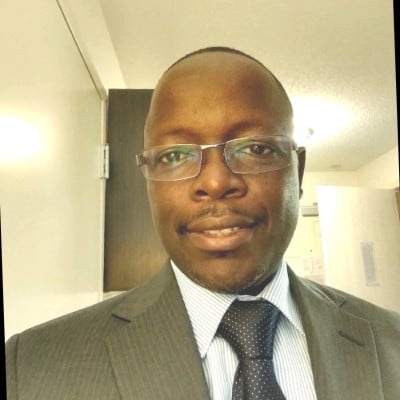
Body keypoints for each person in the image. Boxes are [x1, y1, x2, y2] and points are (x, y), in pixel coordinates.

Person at [5, 47, 400, 400]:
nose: (215, 182)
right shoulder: (31, 369)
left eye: (254, 148)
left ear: (297, 172)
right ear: (148, 183)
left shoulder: (390, 342)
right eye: (175, 156)